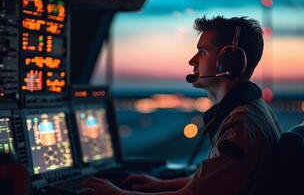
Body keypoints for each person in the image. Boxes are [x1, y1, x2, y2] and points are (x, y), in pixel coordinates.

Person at [80, 16, 282, 195]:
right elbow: (213, 182)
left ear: (229, 62)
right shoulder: (254, 110)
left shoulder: (240, 125)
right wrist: (160, 184)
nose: (192, 61)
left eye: (202, 52)